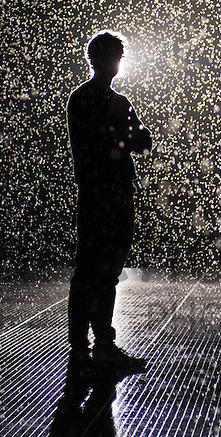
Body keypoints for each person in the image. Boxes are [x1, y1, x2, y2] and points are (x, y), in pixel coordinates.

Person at [66, 30, 152, 374]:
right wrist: (124, 137)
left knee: (86, 270)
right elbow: (144, 142)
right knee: (107, 272)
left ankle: (80, 348)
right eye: (116, 56)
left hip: (91, 192)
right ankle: (103, 345)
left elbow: (89, 147)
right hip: (116, 193)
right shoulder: (118, 103)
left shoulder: (78, 99)